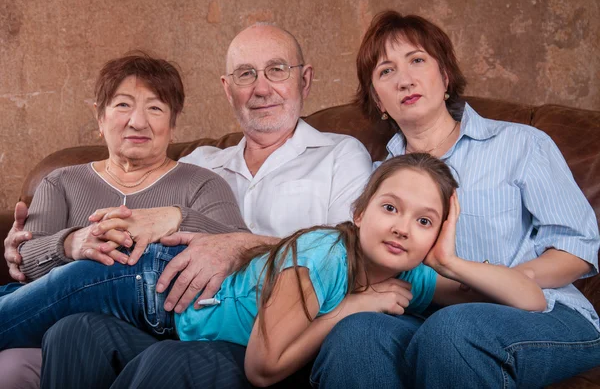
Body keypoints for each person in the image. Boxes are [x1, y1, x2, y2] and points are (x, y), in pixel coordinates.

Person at [4, 24, 372, 387]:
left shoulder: (340, 153)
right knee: (74, 330)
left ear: (304, 80)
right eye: (246, 74)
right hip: (184, 315)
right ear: (228, 90)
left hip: (265, 324)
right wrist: (35, 249)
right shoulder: (201, 162)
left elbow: (350, 250)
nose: (261, 88)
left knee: (166, 354)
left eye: (277, 70)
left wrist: (215, 232)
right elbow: (38, 255)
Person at [40, 153, 548, 388]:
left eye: (424, 221)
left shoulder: (414, 275)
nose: (402, 229)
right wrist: (352, 306)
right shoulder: (322, 253)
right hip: (203, 325)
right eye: (390, 209)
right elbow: (265, 366)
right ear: (359, 211)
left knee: (165, 367)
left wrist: (451, 261)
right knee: (72, 334)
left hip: (219, 345)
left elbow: (532, 300)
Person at [310, 11, 600, 388]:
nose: (405, 80)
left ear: (444, 76)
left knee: (453, 330)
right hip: (428, 316)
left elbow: (576, 249)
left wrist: (502, 280)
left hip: (545, 311)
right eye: (386, 72)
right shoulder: (377, 179)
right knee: (356, 333)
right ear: (378, 100)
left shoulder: (521, 144)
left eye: (417, 60)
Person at [0, 52, 249, 385]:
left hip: (157, 336)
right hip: (60, 332)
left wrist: (176, 218)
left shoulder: (203, 183)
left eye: (156, 108)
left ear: (173, 125)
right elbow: (25, 263)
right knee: (26, 358)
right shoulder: (60, 182)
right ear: (100, 118)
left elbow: (243, 251)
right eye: (122, 105)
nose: (138, 121)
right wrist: (71, 243)